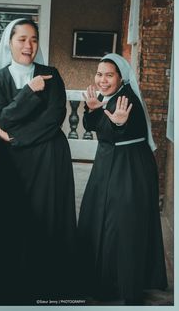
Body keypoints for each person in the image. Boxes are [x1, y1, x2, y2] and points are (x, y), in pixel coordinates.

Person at [0, 18, 77, 305]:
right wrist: (28, 92)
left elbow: (55, 117)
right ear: (9, 42)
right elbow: (0, 117)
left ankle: (48, 290)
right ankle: (12, 289)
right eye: (22, 39)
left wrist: (16, 138)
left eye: (33, 39)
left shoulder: (51, 75)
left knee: (47, 220)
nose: (28, 45)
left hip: (49, 159)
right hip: (14, 166)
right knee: (14, 221)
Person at [77, 53, 168, 305]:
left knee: (121, 223)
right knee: (101, 216)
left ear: (121, 77)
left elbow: (111, 132)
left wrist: (111, 121)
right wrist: (95, 109)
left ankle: (118, 284)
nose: (102, 80)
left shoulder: (126, 100)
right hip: (110, 162)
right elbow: (93, 124)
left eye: (109, 75)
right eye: (99, 74)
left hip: (128, 168)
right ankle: (100, 278)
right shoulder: (110, 96)